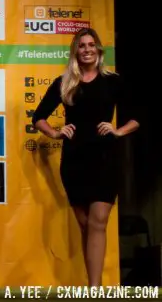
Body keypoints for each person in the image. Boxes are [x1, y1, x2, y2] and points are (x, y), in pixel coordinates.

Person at [32, 28, 138, 286]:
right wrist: (56, 134)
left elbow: (136, 118)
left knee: (98, 222)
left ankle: (95, 289)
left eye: (91, 45)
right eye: (82, 46)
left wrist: (118, 130)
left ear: (99, 50)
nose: (87, 49)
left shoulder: (113, 81)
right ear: (75, 52)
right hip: (75, 160)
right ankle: (92, 284)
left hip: (105, 157)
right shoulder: (65, 82)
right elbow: (38, 118)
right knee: (85, 225)